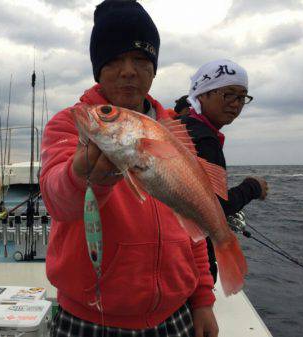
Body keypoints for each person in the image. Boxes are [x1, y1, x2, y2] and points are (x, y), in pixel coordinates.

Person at [39, 1, 218, 336]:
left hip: (174, 314)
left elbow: (190, 226)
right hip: (89, 316)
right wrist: (82, 175)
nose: (128, 70)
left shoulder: (173, 130)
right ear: (98, 69)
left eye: (140, 59)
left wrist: (203, 298)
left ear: (153, 69)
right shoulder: (72, 124)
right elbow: (57, 200)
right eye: (114, 60)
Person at [175, 59, 269, 283]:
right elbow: (216, 206)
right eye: (228, 94)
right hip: (191, 260)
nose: (236, 104)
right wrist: (253, 187)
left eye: (242, 97)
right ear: (203, 94)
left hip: (175, 250)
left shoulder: (182, 126)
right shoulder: (205, 139)